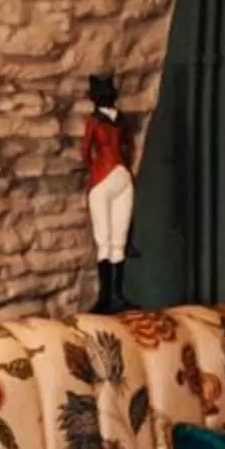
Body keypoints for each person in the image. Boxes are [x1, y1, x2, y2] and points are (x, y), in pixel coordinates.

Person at [81, 70, 136, 314]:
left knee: (106, 239)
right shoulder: (121, 120)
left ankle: (108, 296)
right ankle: (115, 294)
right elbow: (129, 147)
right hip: (122, 174)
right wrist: (124, 164)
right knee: (117, 240)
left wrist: (96, 168)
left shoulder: (94, 121)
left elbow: (85, 151)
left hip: (103, 176)